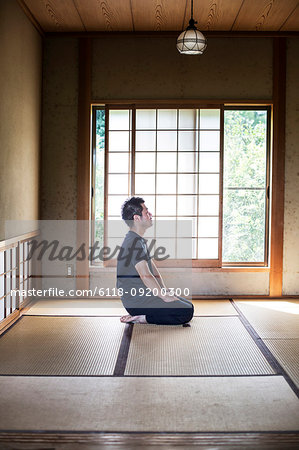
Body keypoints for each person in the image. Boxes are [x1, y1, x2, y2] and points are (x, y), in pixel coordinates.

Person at [116, 196, 194, 325]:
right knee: (186, 312)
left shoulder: (138, 239)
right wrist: (163, 296)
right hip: (137, 300)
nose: (150, 215)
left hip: (143, 297)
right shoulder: (134, 242)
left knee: (187, 305)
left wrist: (163, 290)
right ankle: (142, 318)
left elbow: (152, 270)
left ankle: (142, 314)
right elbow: (145, 275)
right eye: (146, 212)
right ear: (136, 218)